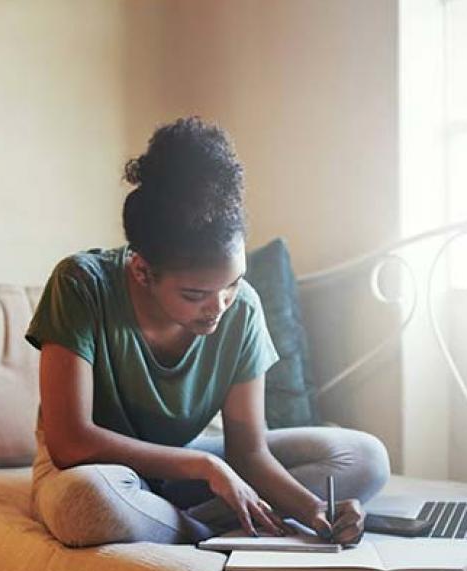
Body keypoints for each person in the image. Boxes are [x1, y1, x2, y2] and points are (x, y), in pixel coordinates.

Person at [25, 117, 390, 547]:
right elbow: (70, 442)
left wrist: (316, 512)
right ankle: (212, 529)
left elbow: (248, 454)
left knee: (366, 458)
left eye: (232, 284)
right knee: (87, 505)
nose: (218, 306)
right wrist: (203, 467)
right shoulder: (81, 285)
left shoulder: (244, 309)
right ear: (143, 271)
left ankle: (173, 522)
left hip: (184, 474)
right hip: (97, 471)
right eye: (196, 293)